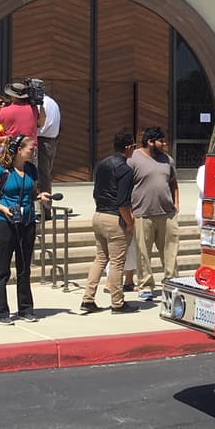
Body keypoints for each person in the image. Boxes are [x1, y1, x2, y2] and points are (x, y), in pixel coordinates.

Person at [0, 134, 50, 324]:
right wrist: (2, 208)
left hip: (26, 221)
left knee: (24, 267)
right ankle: (1, 312)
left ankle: (25, 309)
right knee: (3, 268)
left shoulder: (31, 170)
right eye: (30, 148)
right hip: (5, 222)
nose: (33, 150)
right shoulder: (2, 171)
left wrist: (39, 196)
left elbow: (31, 192)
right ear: (19, 150)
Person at [81, 131, 138, 314]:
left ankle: (88, 299)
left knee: (100, 258)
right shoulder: (125, 169)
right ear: (128, 147)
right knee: (117, 262)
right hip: (115, 218)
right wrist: (129, 222)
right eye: (133, 147)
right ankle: (117, 302)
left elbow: (96, 191)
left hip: (99, 214)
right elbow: (123, 201)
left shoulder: (102, 164)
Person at [128, 126, 179, 301]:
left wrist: (176, 204)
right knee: (143, 252)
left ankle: (171, 282)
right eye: (161, 141)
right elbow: (126, 187)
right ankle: (145, 285)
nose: (165, 144)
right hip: (143, 213)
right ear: (150, 142)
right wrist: (129, 211)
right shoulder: (133, 159)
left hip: (167, 213)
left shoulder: (168, 160)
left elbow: (173, 183)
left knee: (170, 251)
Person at [36, 87, 61, 201]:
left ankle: (43, 209)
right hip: (52, 139)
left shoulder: (38, 104)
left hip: (41, 139)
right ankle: (45, 207)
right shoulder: (52, 102)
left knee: (40, 174)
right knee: (46, 173)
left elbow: (37, 122)